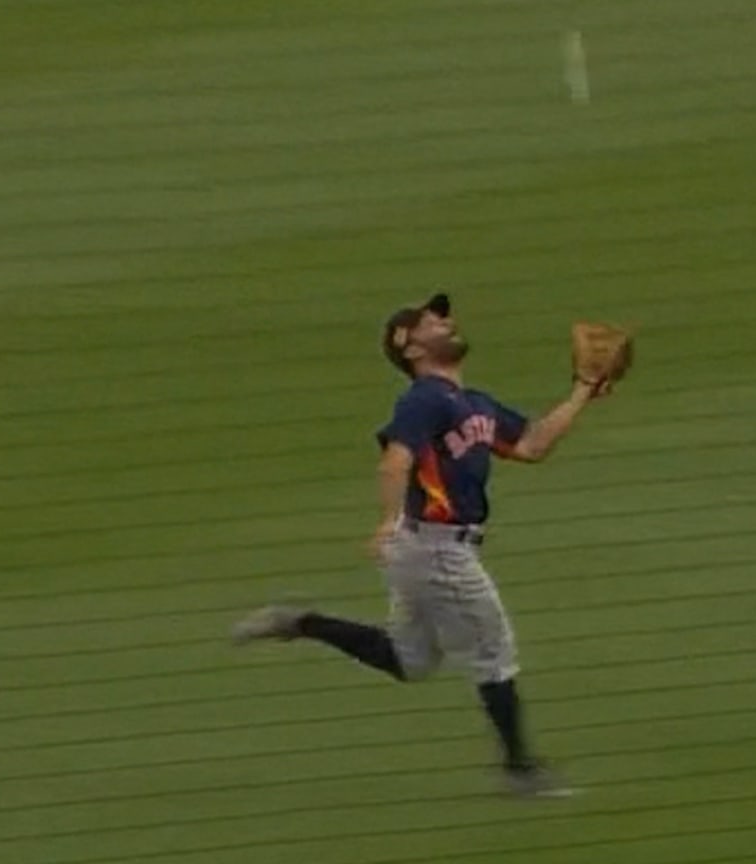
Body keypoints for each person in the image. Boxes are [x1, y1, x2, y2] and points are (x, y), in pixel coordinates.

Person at [231, 292, 609, 797]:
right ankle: (520, 770)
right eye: (433, 322)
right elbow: (395, 460)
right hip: (436, 548)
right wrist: (388, 520)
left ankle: (299, 623)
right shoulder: (424, 398)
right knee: (494, 652)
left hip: (422, 551)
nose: (447, 323)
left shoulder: (473, 403)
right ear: (409, 346)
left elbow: (531, 443)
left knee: (410, 661)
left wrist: (583, 391)